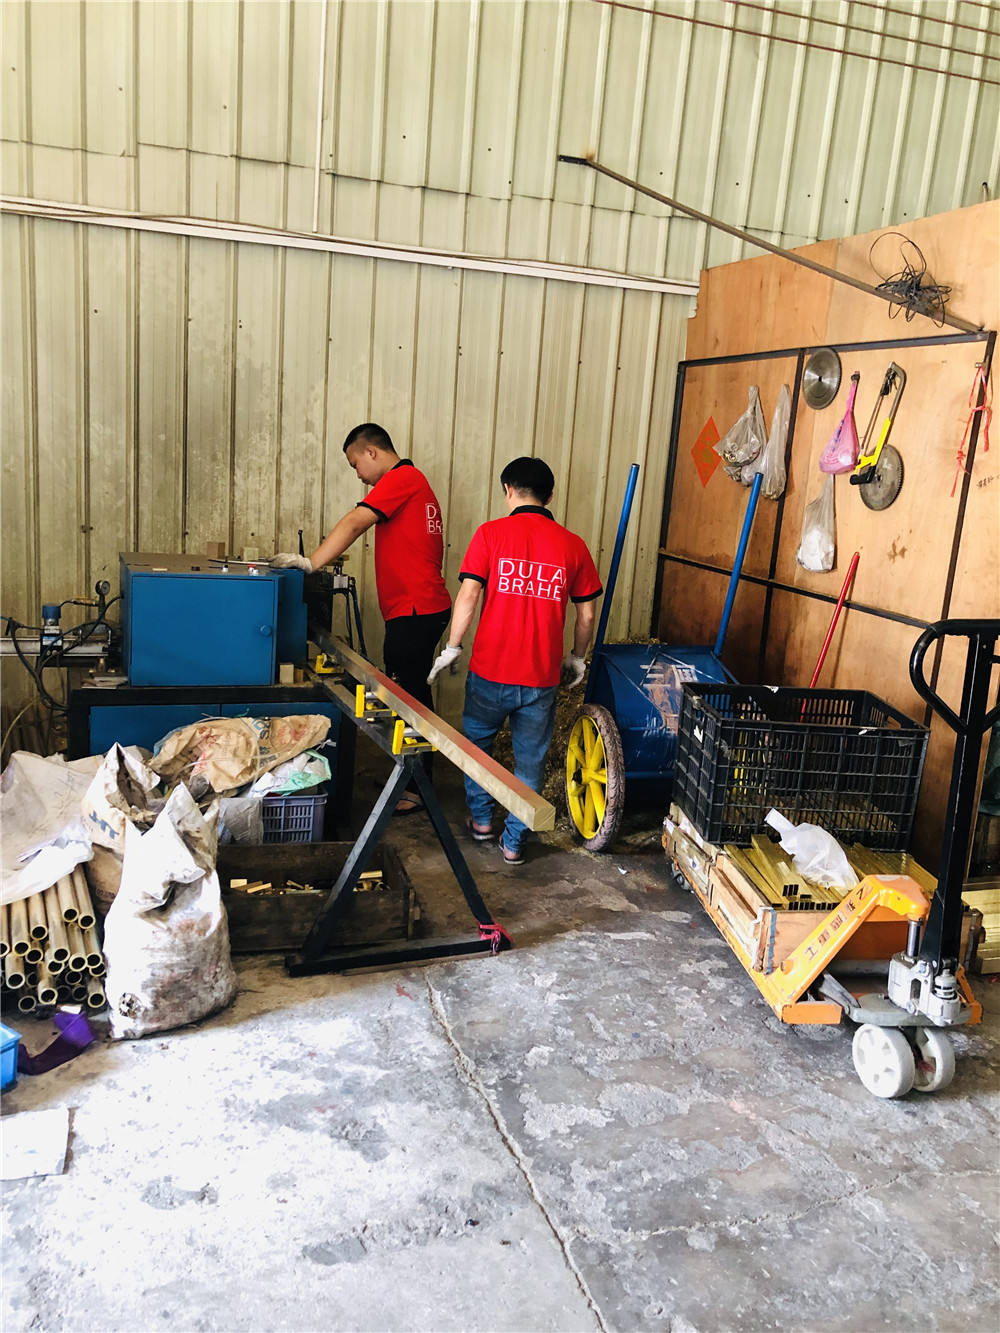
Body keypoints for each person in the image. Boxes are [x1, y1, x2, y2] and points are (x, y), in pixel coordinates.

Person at [428, 457, 602, 865]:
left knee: (478, 749)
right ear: (551, 496)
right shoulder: (573, 545)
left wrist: (453, 646)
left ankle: (484, 822)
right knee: (530, 761)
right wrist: (577, 658)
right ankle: (514, 842)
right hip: (541, 678)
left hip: (490, 670)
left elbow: (469, 595)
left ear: (508, 488)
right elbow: (587, 614)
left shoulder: (490, 534)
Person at [273, 423, 451, 814]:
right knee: (409, 693)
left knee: (409, 700)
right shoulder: (411, 483)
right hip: (416, 608)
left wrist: (311, 562)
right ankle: (411, 776)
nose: (358, 475)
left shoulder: (403, 477)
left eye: (356, 464)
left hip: (416, 609)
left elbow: (355, 521)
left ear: (371, 452)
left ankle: (418, 787)